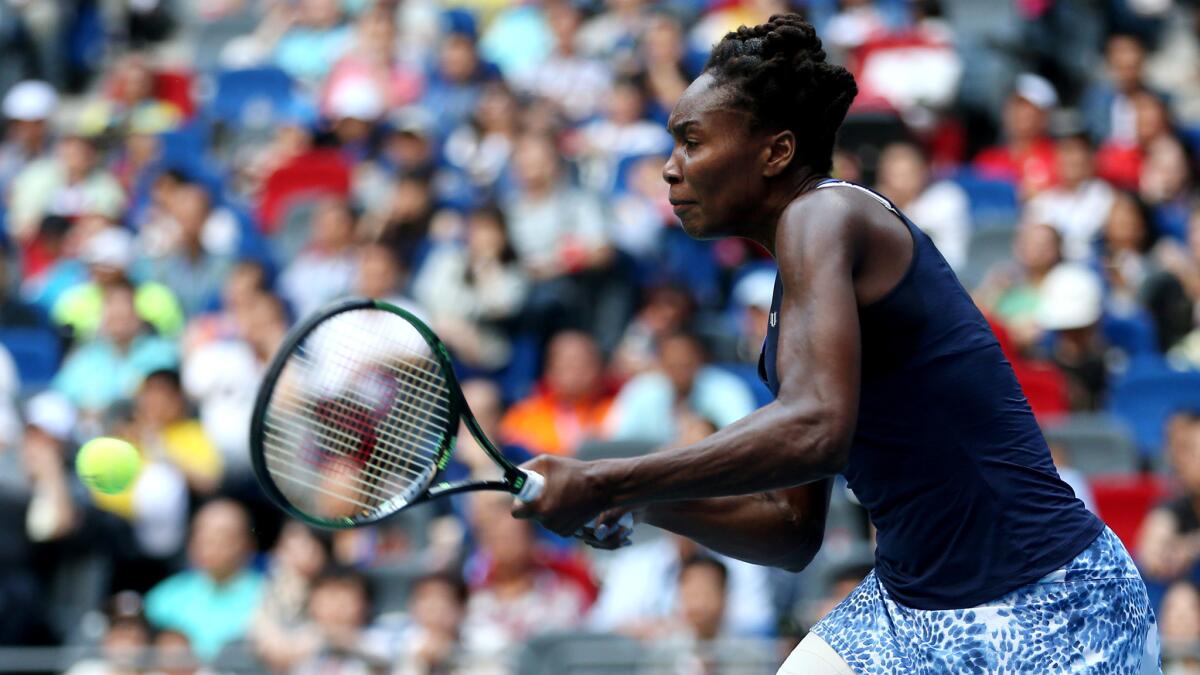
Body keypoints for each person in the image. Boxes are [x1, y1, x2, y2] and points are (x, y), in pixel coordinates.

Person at [513, 15, 1156, 672]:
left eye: (692, 142)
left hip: (1050, 604)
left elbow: (817, 428)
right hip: (910, 610)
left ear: (775, 152)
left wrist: (602, 477)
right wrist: (641, 501)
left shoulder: (825, 214)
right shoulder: (792, 298)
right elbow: (792, 532)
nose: (670, 170)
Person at [144, 499, 265, 662]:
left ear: (248, 543)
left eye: (221, 535)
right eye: (200, 532)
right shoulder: (166, 595)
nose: (207, 542)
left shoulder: (267, 596)